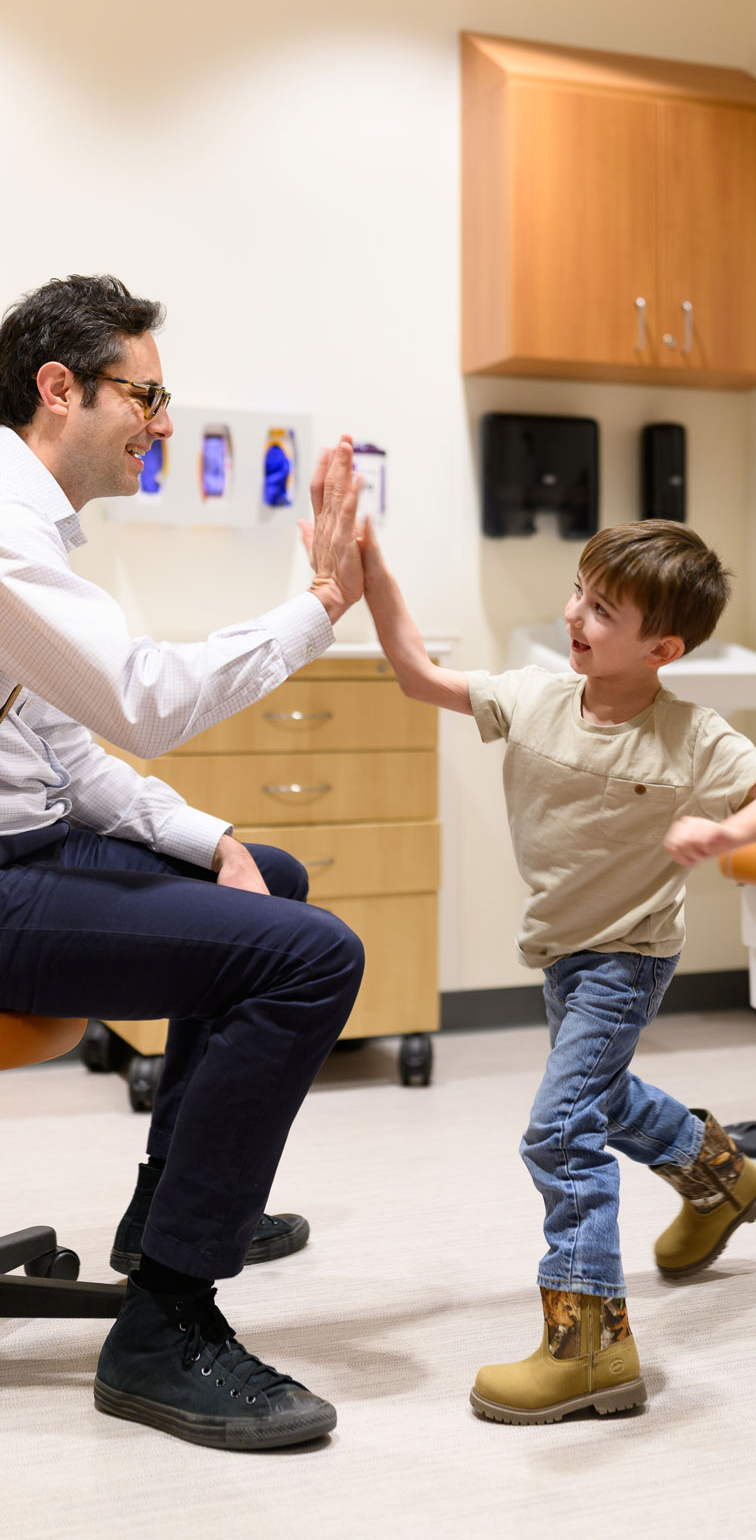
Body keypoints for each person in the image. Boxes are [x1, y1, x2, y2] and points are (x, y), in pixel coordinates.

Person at [0, 275, 366, 1451]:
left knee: (272, 881)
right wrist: (314, 607)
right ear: (61, 389)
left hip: (27, 845)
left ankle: (176, 1210)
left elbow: (68, 750)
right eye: (145, 396)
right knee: (312, 962)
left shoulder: (33, 529)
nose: (163, 424)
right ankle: (165, 1319)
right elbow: (144, 702)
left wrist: (212, 842)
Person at [359, 516, 756, 1424]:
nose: (575, 614)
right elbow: (418, 674)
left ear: (663, 648)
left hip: (629, 957)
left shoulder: (691, 735)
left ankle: (593, 1347)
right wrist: (368, 564)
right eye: (579, 592)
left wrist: (725, 832)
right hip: (562, 952)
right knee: (598, 1099)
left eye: (602, 609)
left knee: (560, 1131)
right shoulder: (532, 697)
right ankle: (719, 1174)